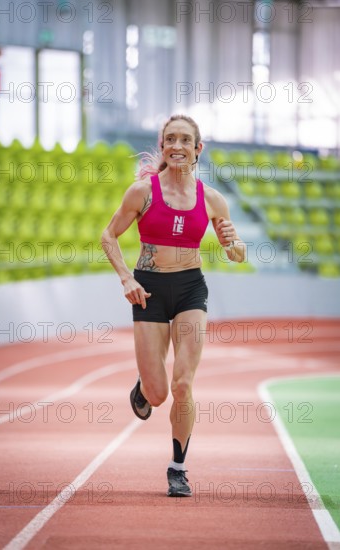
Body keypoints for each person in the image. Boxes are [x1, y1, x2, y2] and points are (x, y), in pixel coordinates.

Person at [101, 114, 246, 497]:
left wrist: (235, 243)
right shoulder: (142, 192)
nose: (177, 146)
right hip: (148, 289)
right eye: (170, 140)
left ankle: (177, 468)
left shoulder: (213, 199)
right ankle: (144, 388)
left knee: (183, 385)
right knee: (159, 393)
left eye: (185, 140)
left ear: (199, 149)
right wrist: (126, 278)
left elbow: (237, 255)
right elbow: (108, 235)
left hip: (189, 290)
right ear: (163, 146)